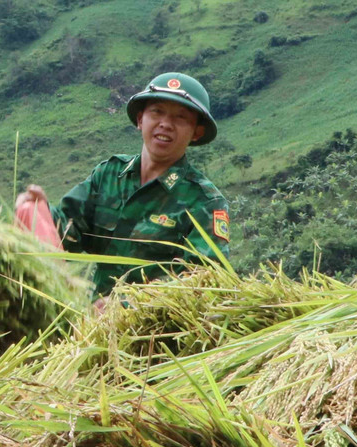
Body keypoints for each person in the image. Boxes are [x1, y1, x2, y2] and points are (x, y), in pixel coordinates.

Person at [16, 72, 230, 306]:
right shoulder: (109, 175)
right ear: (140, 119)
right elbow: (68, 230)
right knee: (30, 211)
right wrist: (39, 211)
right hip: (91, 322)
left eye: (181, 118)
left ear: (196, 133)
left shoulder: (204, 201)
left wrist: (126, 305)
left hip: (152, 329)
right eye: (157, 111)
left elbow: (205, 279)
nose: (166, 124)